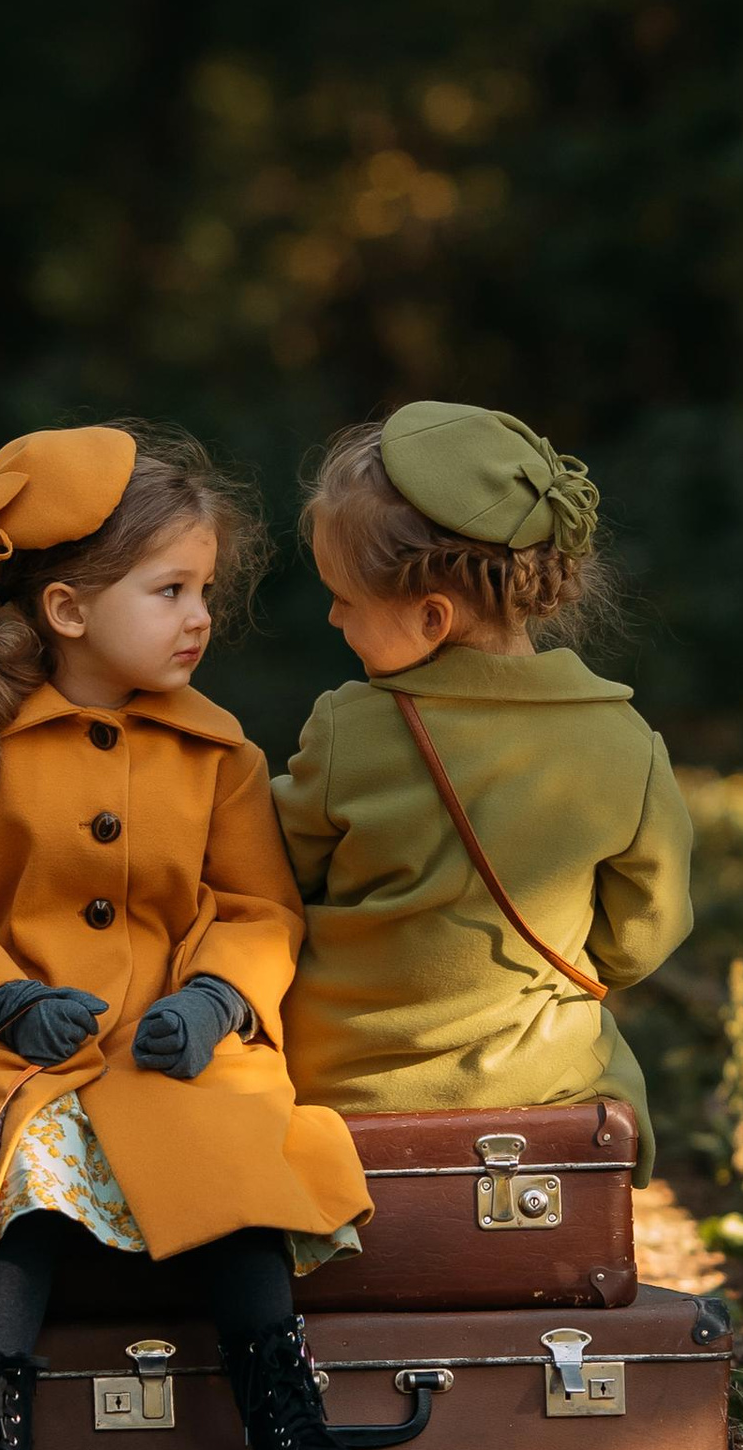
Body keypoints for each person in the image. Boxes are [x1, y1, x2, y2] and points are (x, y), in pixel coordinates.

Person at [0, 420, 377, 1450]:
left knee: (237, 1175)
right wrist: (0, 1000)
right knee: (23, 1193)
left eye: (204, 589)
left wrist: (215, 1000)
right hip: (24, 1054)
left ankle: (290, 1427)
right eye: (170, 590)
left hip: (168, 1046)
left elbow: (256, 907)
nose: (201, 617)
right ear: (68, 609)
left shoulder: (219, 754)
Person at [272, 403, 697, 1184]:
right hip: (541, 1085)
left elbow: (272, 877)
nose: (333, 616)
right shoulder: (626, 743)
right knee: (597, 1046)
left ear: (432, 617)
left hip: (342, 1083)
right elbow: (639, 943)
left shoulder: (347, 731)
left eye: (344, 599)